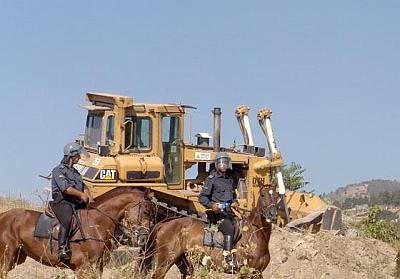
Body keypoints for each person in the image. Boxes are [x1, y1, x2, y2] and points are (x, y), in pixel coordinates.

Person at [51, 142, 93, 262]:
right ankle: (62, 249)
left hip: (75, 202)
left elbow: (83, 185)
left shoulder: (75, 172)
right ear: (72, 156)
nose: (79, 158)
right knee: (67, 219)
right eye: (78, 155)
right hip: (63, 202)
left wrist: (88, 195)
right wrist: (81, 195)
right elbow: (66, 189)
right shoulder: (58, 170)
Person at [198, 152, 239, 268]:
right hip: (217, 216)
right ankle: (228, 260)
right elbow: (202, 197)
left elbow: (233, 197)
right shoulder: (211, 179)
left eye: (225, 162)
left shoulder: (230, 180)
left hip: (230, 213)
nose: (223, 165)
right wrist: (212, 205)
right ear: (217, 165)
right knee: (229, 229)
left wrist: (235, 202)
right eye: (221, 162)